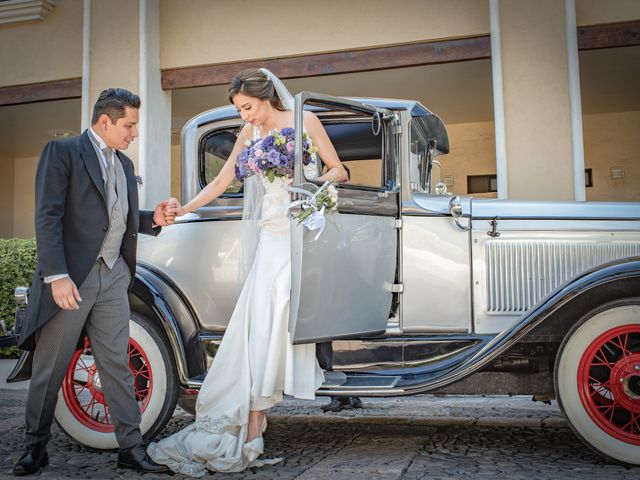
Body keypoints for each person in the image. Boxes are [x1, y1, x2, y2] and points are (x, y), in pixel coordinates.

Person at [147, 67, 347, 476]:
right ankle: (252, 422)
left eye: (248, 107)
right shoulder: (249, 136)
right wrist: (184, 209)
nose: (245, 117)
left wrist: (311, 189)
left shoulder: (304, 120)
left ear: (268, 96)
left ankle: (257, 419)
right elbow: (222, 180)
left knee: (281, 325)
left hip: (300, 234)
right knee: (261, 327)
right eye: (239, 110)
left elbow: (338, 170)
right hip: (272, 238)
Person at [13, 88, 173, 476]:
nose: (133, 132)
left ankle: (131, 448)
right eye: (129, 125)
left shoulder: (123, 162)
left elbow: (116, 216)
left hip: (114, 275)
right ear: (105, 121)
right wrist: (57, 276)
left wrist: (155, 217)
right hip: (71, 279)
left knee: (117, 362)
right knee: (51, 367)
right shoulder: (63, 152)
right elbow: (48, 216)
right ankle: (35, 446)